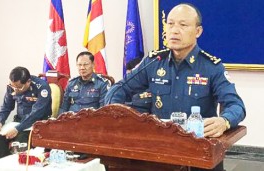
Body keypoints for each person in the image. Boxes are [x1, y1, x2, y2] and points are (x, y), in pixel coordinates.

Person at [105, 3, 245, 171]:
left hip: (199, 154)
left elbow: (236, 105)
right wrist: (117, 116)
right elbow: (119, 89)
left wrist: (224, 121)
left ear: (198, 31)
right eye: (170, 24)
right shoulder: (154, 62)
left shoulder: (211, 67)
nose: (174, 30)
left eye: (183, 25)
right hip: (161, 153)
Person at [0, 66, 52, 161]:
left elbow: (36, 114)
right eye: (13, 87)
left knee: (21, 138)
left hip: (38, 123)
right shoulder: (12, 86)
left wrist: (17, 129)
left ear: (28, 81)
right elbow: (6, 107)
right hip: (19, 121)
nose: (15, 90)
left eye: (19, 88)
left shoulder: (42, 87)